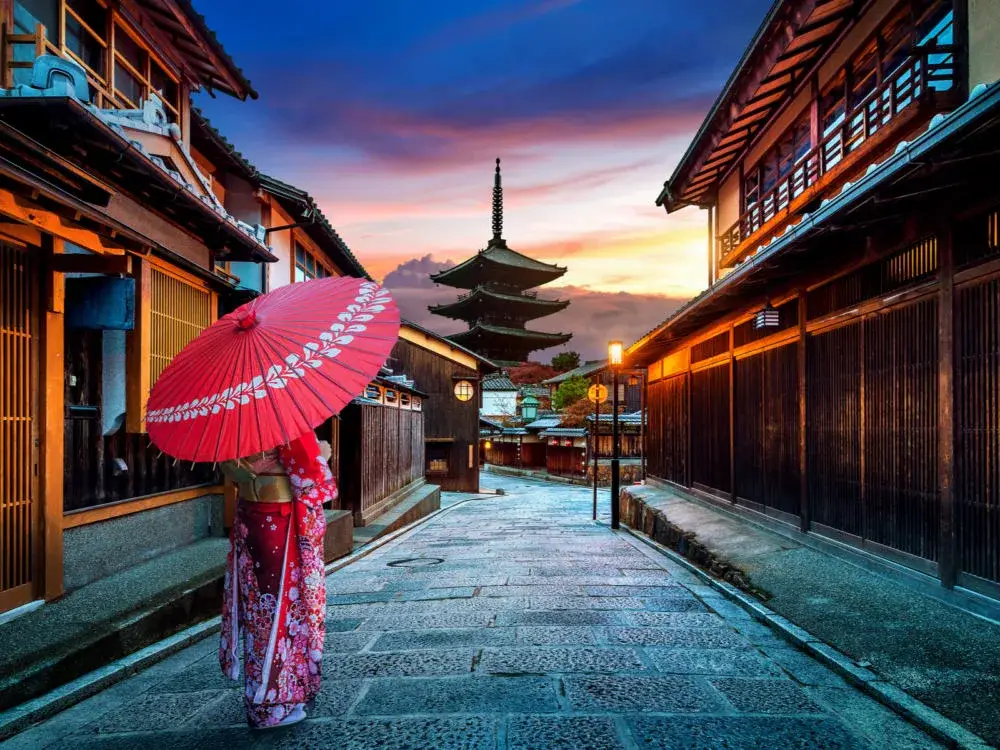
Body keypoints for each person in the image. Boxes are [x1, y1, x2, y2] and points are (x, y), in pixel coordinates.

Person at [218, 431, 336, 729]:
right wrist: (322, 454)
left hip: (249, 515)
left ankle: (259, 696)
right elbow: (310, 477)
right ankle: (273, 705)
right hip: (278, 520)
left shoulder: (231, 421)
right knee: (283, 612)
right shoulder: (281, 419)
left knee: (258, 611)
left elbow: (234, 470)